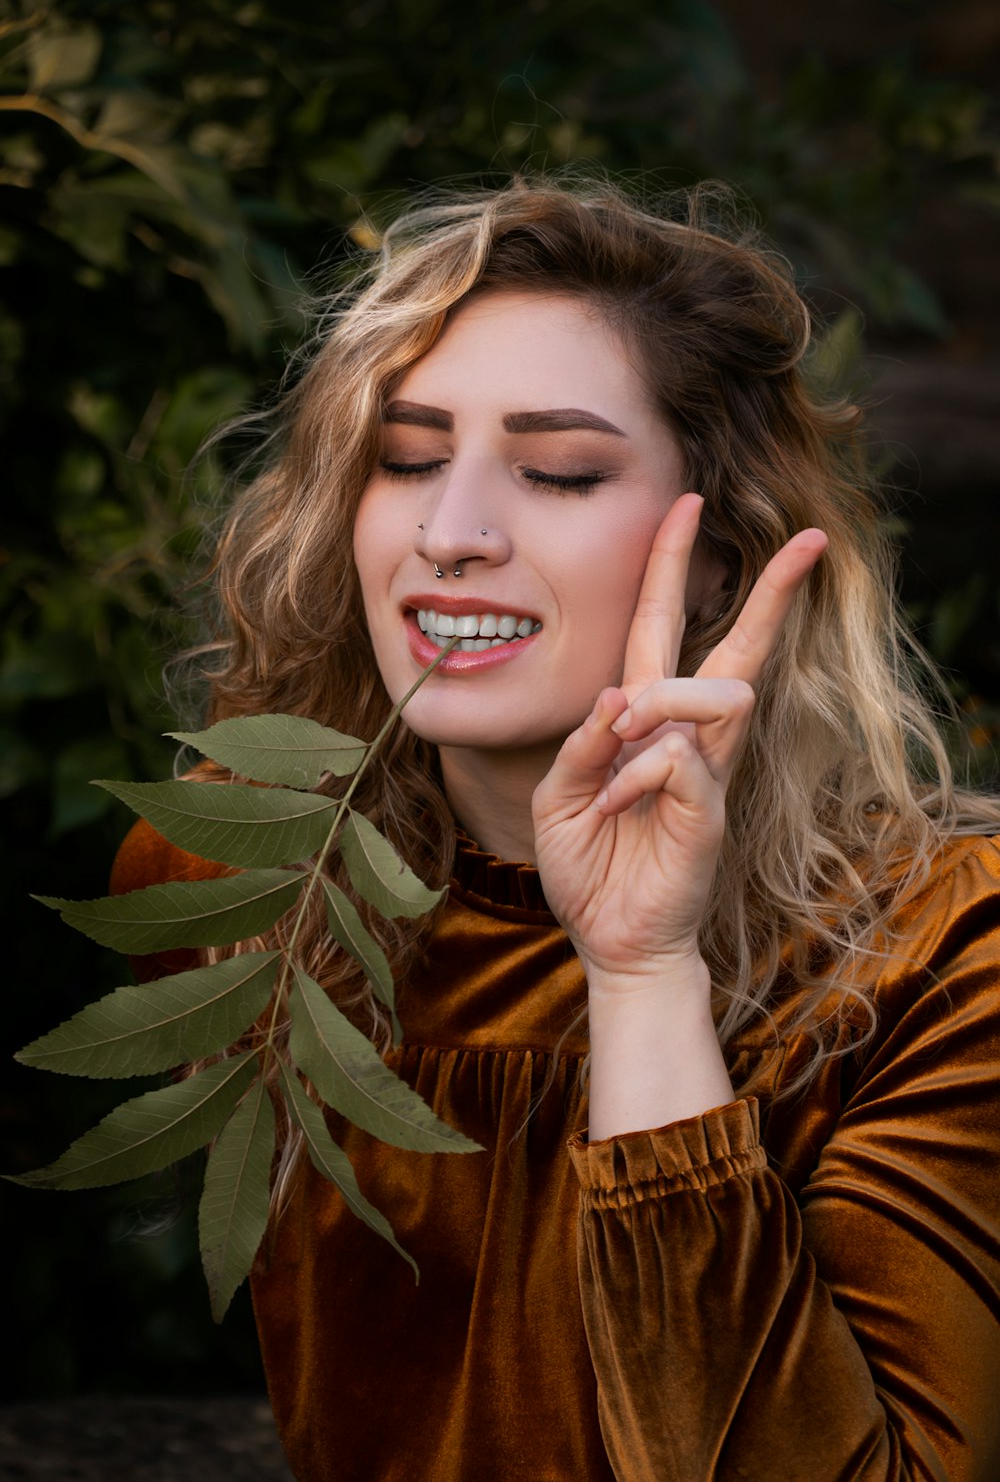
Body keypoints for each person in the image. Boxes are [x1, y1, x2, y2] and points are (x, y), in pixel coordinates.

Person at [112, 178, 1000, 1480]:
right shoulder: (228, 883)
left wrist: (642, 978)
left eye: (557, 472)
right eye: (405, 459)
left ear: (721, 553)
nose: (450, 532)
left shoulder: (941, 952)